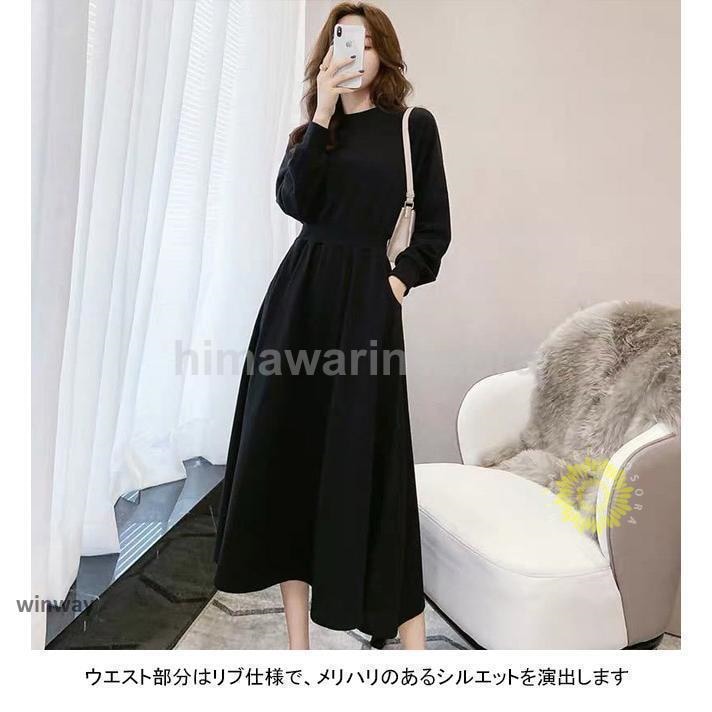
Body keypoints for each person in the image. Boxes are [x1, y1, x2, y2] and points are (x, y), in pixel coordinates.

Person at [213, 3, 451, 650]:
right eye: (344, 42)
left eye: (368, 44)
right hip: (298, 306)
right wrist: (320, 113)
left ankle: (409, 644)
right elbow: (296, 202)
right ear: (325, 57)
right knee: (290, 459)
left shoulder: (412, 127)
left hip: (367, 309)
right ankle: (298, 650)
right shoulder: (310, 135)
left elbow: (434, 228)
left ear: (384, 56)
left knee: (372, 462)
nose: (356, 54)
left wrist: (396, 283)